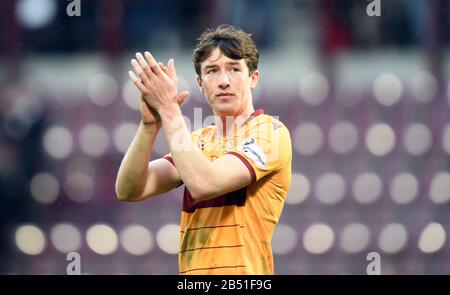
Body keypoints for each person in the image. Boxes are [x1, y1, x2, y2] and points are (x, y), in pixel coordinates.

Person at [115, 24, 292, 275]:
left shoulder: (270, 133)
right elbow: (129, 189)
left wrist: (169, 110)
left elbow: (204, 184)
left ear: (253, 79)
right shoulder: (197, 142)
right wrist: (149, 126)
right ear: (200, 82)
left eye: (234, 69)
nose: (223, 81)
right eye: (212, 71)